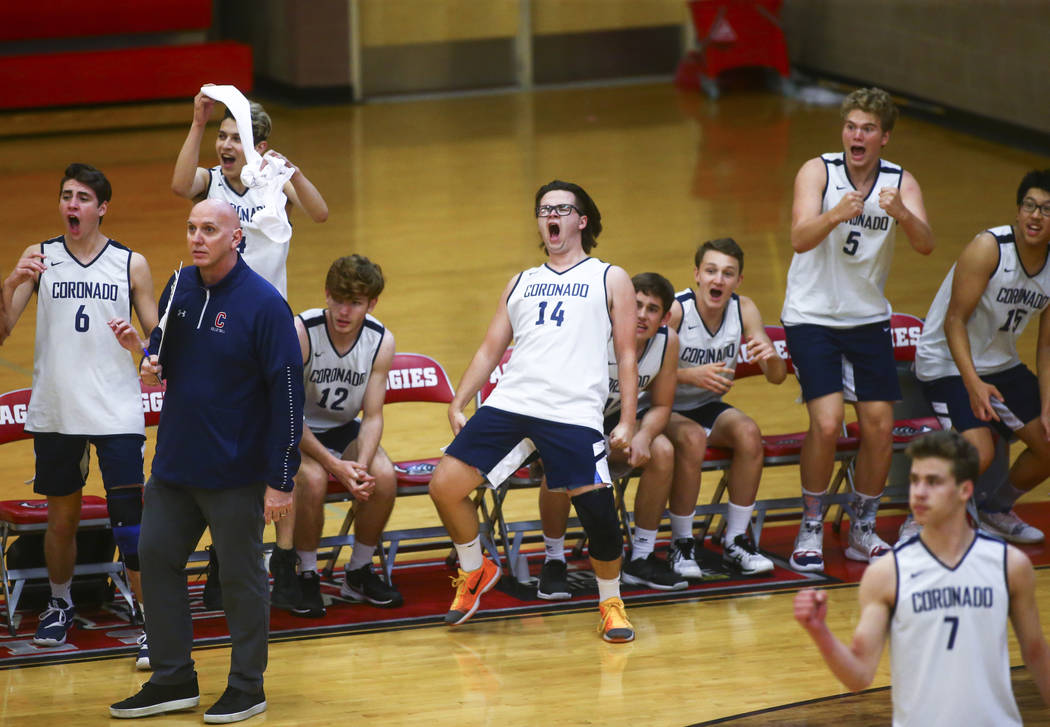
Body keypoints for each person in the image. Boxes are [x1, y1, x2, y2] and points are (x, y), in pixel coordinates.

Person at [109, 199, 304, 723]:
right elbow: (163, 357)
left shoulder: (265, 306)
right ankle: (173, 678)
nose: (197, 238)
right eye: (192, 228)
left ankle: (247, 685)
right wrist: (146, 359)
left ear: (236, 237)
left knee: (241, 579)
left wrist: (281, 480)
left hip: (236, 473)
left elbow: (288, 395)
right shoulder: (179, 287)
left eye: (210, 229)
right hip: (175, 465)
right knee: (156, 560)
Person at [428, 180, 640, 642]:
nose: (552, 216)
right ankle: (475, 569)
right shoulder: (522, 281)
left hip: (571, 410)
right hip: (513, 401)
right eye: (544, 209)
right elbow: (490, 348)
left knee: (599, 515)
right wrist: (459, 400)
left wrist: (627, 419)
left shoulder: (610, 277)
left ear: (581, 221)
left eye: (562, 208)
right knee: (444, 486)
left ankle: (611, 602)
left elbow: (626, 354)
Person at [171, 86, 327, 609]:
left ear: (259, 144)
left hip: (268, 325)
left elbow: (321, 214)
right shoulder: (211, 183)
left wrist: (295, 173)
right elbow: (177, 184)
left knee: (276, 446)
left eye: (237, 136)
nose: (227, 144)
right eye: (223, 134)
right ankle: (222, 562)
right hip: (219, 325)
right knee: (226, 447)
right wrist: (197, 123)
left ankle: (283, 565)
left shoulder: (272, 179)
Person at [1, 164, 157, 654]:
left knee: (130, 522)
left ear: (102, 208)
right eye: (66, 195)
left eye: (83, 198)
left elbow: (156, 344)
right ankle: (61, 601)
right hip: (58, 408)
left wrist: (143, 348)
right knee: (62, 518)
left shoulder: (131, 264)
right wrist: (8, 283)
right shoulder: (40, 258)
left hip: (116, 410)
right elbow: (2, 330)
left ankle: (152, 618)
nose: (72, 204)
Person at [794, 430, 1050, 726]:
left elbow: (1035, 652)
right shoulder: (886, 574)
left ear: (965, 490)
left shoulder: (1009, 565)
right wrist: (819, 631)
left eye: (933, 482)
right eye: (915, 480)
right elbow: (859, 675)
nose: (919, 492)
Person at [781, 87, 935, 572]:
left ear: (884, 137)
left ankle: (862, 527)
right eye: (851, 126)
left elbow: (927, 244)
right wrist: (835, 214)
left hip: (867, 317)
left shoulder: (900, 181)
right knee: (826, 423)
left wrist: (903, 214)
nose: (856, 135)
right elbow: (799, 239)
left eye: (867, 128)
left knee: (880, 427)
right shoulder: (817, 171)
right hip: (811, 315)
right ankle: (810, 521)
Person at [913, 169, 1050, 545]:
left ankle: (995, 509)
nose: (1036, 216)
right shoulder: (989, 247)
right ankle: (921, 521)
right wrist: (973, 384)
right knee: (978, 451)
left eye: (1047, 210)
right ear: (1019, 210)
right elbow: (954, 321)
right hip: (945, 361)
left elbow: (1046, 345)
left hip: (1000, 363)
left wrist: (1048, 403)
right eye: (1030, 205)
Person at [535, 272, 687, 598]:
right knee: (562, 461)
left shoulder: (667, 343)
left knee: (661, 449)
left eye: (652, 308)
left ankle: (642, 556)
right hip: (560, 416)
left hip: (610, 422)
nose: (643, 314)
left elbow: (661, 404)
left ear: (665, 317)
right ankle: (553, 560)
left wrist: (644, 435)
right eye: (638, 305)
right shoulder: (594, 332)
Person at [664, 238, 785, 578]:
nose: (718, 280)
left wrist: (771, 357)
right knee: (691, 438)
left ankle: (735, 540)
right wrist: (689, 375)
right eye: (711, 271)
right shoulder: (676, 310)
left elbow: (776, 378)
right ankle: (681, 543)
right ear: (697, 274)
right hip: (661, 406)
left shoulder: (744, 309)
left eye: (728, 274)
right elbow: (643, 371)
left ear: (738, 281)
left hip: (705, 405)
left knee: (749, 433)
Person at [289, 254, 402, 617]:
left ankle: (358, 571)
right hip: (295, 431)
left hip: (342, 428)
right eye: (338, 299)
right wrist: (335, 465)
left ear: (371, 304)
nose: (344, 310)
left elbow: (372, 416)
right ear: (326, 294)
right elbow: (287, 414)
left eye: (354, 303)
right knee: (314, 478)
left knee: (381, 476)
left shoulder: (380, 340)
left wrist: (360, 467)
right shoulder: (302, 332)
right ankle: (305, 573)